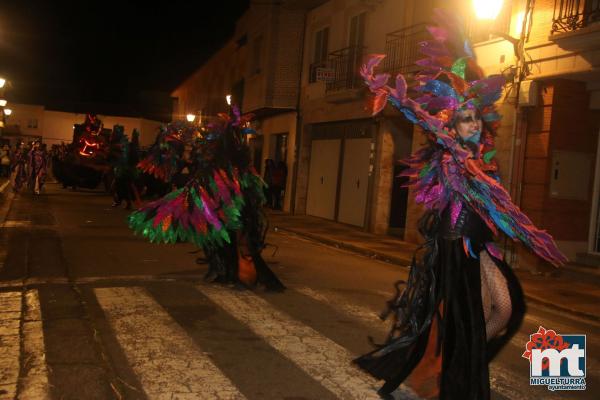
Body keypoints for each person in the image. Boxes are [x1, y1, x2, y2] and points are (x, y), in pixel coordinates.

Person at [353, 9, 567, 400]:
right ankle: (454, 370)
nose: (473, 125)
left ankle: (457, 360)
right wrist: (401, 101)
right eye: (464, 119)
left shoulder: (484, 160)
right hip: (458, 250)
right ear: (452, 124)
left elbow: (494, 206)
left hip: (480, 248)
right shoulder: (451, 157)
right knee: (481, 316)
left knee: (505, 311)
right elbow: (437, 142)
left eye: (476, 119)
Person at [130, 111, 285, 292]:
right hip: (225, 204)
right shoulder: (226, 166)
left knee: (239, 242)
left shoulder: (230, 169)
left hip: (231, 205)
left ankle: (243, 272)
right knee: (230, 240)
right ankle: (236, 271)